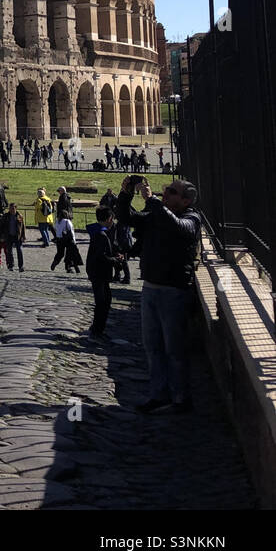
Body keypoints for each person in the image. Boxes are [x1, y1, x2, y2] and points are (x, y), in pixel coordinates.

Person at [117, 177, 202, 413]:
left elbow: (177, 227)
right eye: (165, 191)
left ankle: (181, 399)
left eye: (172, 192)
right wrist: (126, 194)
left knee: (174, 349)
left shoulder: (192, 218)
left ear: (185, 200)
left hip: (174, 290)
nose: (166, 194)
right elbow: (127, 219)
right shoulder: (158, 213)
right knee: (152, 347)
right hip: (151, 288)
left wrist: (153, 201)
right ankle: (159, 395)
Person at [85, 205, 122, 339]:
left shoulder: (98, 232)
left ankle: (98, 328)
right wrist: (116, 260)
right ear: (109, 218)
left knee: (104, 301)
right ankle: (97, 330)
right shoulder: (101, 235)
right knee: (103, 303)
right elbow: (102, 256)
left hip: (97, 273)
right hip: (99, 273)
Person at [0, 202, 25, 270]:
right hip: (9, 235)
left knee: (19, 251)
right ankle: (11, 265)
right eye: (10, 208)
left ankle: (21, 266)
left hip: (17, 236)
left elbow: (23, 227)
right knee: (9, 251)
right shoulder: (6, 216)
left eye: (13, 208)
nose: (11, 210)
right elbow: (1, 227)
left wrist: (23, 236)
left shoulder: (20, 216)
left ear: (16, 208)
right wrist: (1, 236)